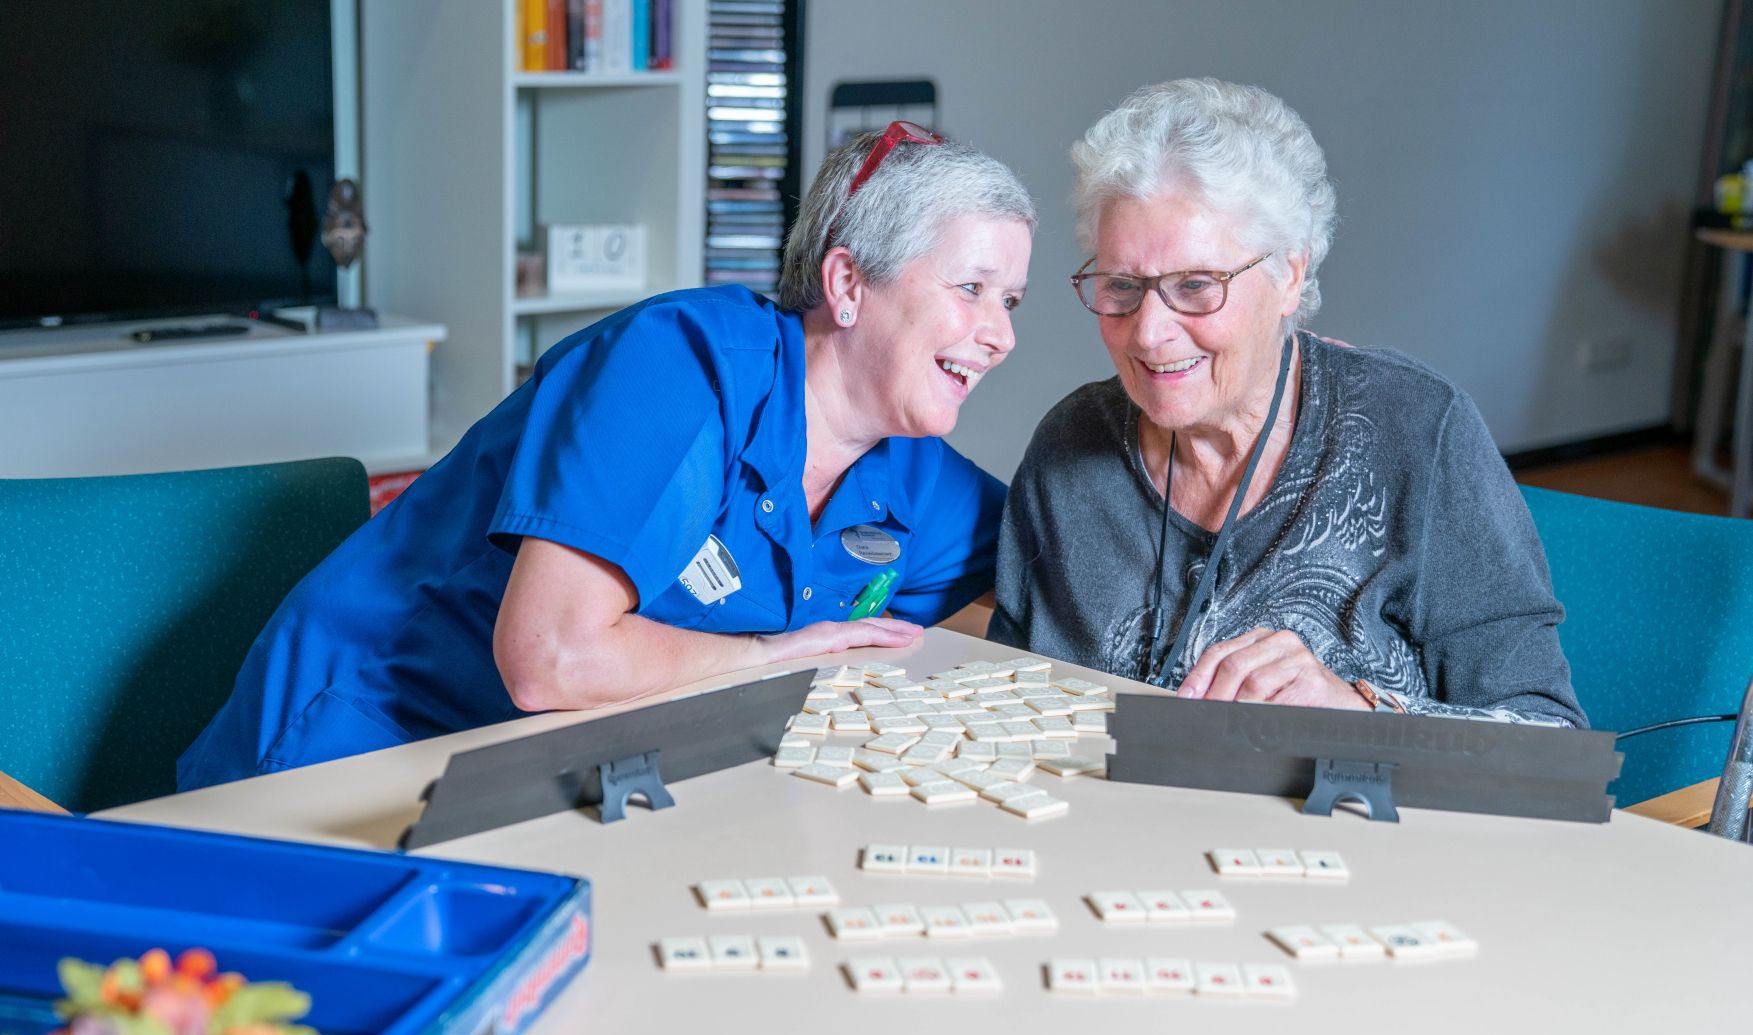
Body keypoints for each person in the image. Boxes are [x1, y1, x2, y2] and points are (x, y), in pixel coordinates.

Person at [178, 122, 1035, 790]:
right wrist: (771, 658)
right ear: (848, 285)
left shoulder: (911, 467)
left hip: (573, 784)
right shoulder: (678, 369)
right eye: (969, 289)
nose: (997, 336)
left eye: (1010, 300)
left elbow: (1055, 563)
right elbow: (551, 658)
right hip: (361, 752)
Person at [988, 79, 1582, 724]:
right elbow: (1017, 700)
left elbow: (1548, 737)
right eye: (1122, 286)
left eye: (1195, 285)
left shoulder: (1413, 429)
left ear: (1290, 274)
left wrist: (1354, 714)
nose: (1149, 332)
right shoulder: (1070, 447)